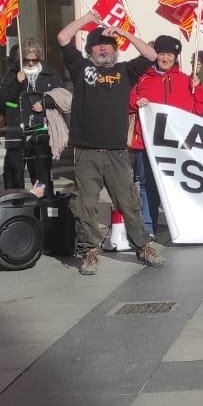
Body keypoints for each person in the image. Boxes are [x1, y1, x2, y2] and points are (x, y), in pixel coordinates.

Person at [57, 15, 164, 276]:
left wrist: (124, 34)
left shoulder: (125, 71)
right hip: (86, 151)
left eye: (109, 46)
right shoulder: (82, 69)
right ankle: (89, 252)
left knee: (128, 201)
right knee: (87, 204)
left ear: (115, 51)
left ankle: (143, 246)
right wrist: (88, 19)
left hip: (116, 151)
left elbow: (151, 55)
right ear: (90, 49)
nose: (104, 49)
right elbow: (62, 38)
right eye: (98, 45)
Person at [129, 35, 203, 237]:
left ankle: (182, 225)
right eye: (162, 54)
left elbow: (200, 109)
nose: (165, 58)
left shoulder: (186, 80)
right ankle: (148, 227)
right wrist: (136, 101)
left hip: (177, 146)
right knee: (147, 185)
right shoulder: (142, 79)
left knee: (177, 184)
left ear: (176, 57)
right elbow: (127, 103)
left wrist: (197, 87)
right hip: (147, 143)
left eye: (170, 55)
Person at [0, 38, 61, 190]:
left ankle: (43, 206)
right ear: (20, 58)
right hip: (17, 129)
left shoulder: (50, 74)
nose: (30, 63)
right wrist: (16, 82)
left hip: (39, 128)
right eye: (26, 60)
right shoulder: (10, 74)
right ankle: (17, 204)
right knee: (14, 173)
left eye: (34, 60)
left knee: (41, 173)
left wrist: (45, 103)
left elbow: (61, 96)